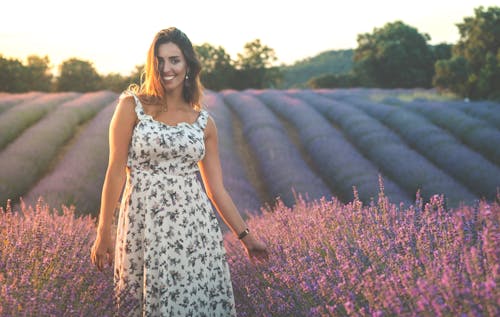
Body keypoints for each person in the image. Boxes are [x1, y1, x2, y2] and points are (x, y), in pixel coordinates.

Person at [90, 27, 268, 316]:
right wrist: (104, 232)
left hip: (194, 232)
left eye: (174, 60)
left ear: (188, 65)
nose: (166, 68)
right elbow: (115, 171)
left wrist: (246, 237)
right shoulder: (131, 106)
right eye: (159, 61)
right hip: (142, 225)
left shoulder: (203, 122)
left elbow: (216, 190)